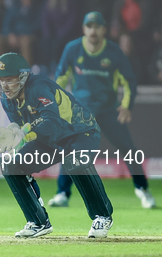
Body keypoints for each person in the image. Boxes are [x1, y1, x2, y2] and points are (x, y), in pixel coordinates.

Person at [0, 52, 114, 238]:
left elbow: (51, 121)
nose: (4, 85)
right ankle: (38, 222)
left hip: (79, 132)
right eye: (1, 80)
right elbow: (23, 126)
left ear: (23, 77)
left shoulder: (38, 87)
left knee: (75, 161)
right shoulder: (8, 100)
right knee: (10, 164)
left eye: (9, 79)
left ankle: (102, 216)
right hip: (49, 141)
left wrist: (24, 134)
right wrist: (15, 132)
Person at [49, 12, 156, 209]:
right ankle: (62, 193)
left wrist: (126, 106)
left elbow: (129, 81)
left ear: (104, 30)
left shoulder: (114, 52)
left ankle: (143, 190)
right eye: (89, 26)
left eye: (97, 26)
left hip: (108, 110)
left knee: (129, 150)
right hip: (80, 112)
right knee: (71, 151)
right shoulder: (73, 49)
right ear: (84, 29)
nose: (93, 31)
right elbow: (61, 79)